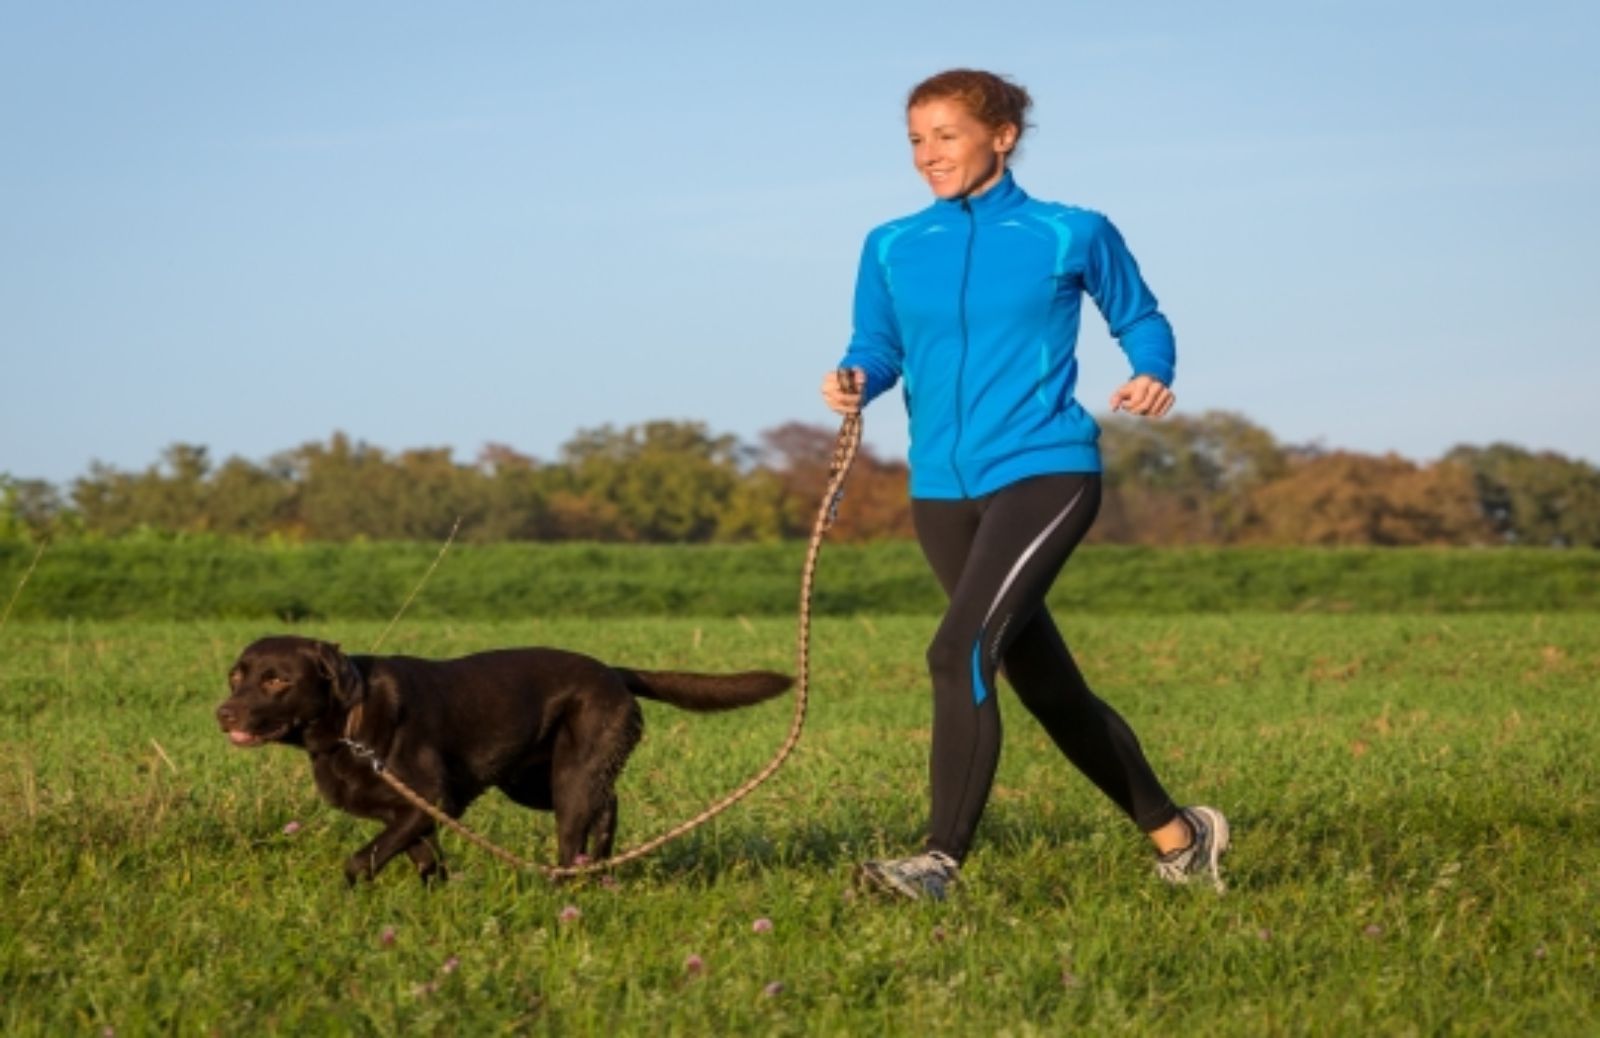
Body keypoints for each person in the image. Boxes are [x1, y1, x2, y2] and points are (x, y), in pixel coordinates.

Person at [821, 68, 1228, 900]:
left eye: (945, 136)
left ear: (1001, 136)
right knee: (1043, 682)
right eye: (915, 140)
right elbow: (879, 342)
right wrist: (856, 374)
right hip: (940, 488)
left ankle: (937, 862)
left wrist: (1151, 370)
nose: (927, 155)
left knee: (957, 651)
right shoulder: (892, 243)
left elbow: (1141, 316)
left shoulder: (1068, 232)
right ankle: (1182, 838)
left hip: (1045, 468)